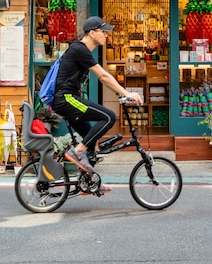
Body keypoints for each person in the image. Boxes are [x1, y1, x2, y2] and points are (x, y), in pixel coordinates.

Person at [51, 16, 143, 173]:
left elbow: (104, 78)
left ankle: (89, 181)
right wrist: (127, 93)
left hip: (68, 98)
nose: (106, 35)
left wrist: (119, 92)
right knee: (109, 117)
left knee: (90, 138)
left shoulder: (82, 50)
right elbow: (103, 76)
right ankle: (76, 152)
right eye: (103, 31)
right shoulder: (80, 49)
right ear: (92, 33)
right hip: (66, 98)